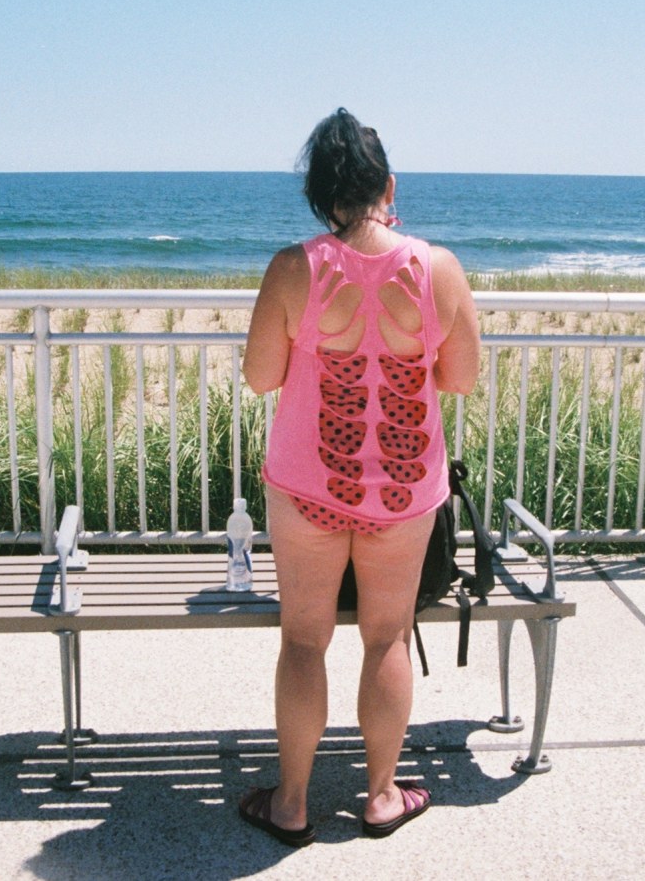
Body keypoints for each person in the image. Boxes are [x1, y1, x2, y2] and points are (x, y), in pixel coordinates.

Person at [239, 108, 480, 845]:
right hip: (405, 492)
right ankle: (380, 796)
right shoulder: (437, 267)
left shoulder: (291, 267)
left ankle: (291, 805)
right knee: (386, 638)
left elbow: (259, 379)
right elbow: (461, 379)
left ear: (319, 195)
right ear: (388, 184)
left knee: (304, 641)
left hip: (308, 488)